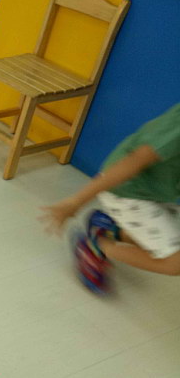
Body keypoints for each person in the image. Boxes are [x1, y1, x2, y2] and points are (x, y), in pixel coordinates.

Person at [41, 102, 180, 292]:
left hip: (158, 191)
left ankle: (109, 228)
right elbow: (134, 161)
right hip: (127, 191)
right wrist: (76, 201)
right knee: (174, 263)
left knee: (162, 242)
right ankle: (95, 245)